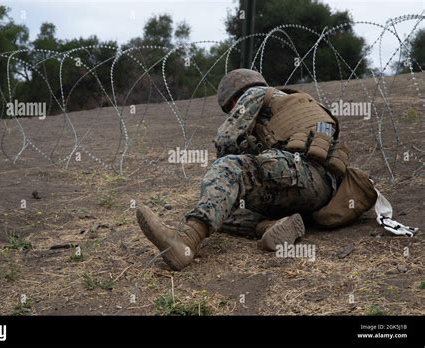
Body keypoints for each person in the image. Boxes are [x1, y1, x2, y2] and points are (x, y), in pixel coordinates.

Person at [135, 69, 389, 271]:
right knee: (224, 208)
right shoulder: (301, 104)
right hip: (321, 193)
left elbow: (226, 139)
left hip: (301, 173)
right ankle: (273, 226)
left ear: (235, 98)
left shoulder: (256, 94)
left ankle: (185, 241)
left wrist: (225, 173)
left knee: (226, 173)